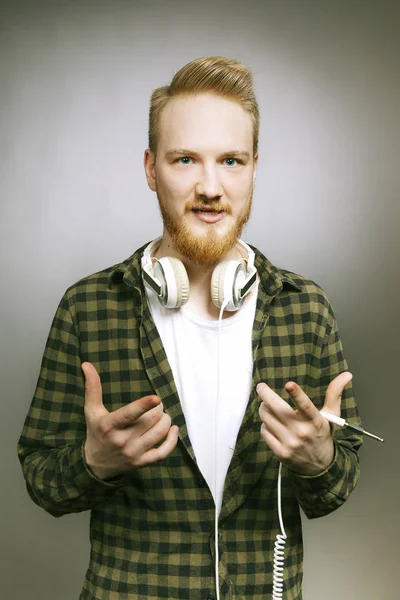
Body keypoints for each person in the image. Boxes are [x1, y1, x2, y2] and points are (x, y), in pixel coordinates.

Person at [18, 56, 362, 600]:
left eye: (231, 160)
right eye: (185, 159)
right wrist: (94, 463)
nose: (210, 186)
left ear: (253, 169)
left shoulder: (305, 308)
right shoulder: (88, 307)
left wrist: (319, 461)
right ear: (152, 169)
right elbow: (41, 479)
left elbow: (334, 488)